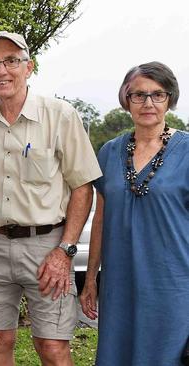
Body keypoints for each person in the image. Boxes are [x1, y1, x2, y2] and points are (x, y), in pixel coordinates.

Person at [0, 31, 101, 366]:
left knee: (52, 346)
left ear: (29, 67)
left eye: (11, 61)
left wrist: (65, 252)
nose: (2, 70)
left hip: (47, 246)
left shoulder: (60, 116)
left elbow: (83, 187)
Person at [79, 62, 189, 365]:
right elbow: (100, 218)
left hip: (172, 284)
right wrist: (91, 279)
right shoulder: (109, 152)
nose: (148, 103)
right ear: (126, 100)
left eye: (158, 94)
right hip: (119, 283)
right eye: (138, 95)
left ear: (170, 98)